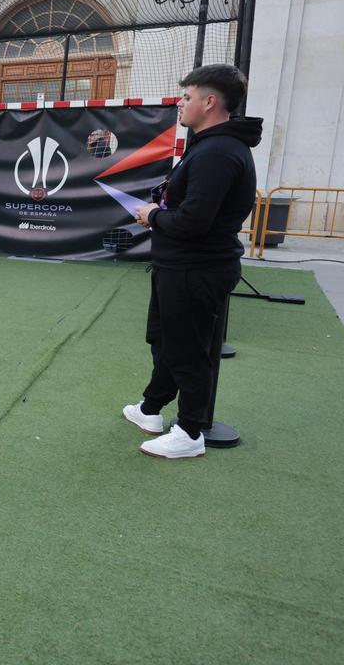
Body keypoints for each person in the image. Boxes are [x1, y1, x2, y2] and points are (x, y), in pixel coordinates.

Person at [126, 64, 260, 460]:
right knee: (167, 342)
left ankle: (189, 432)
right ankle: (151, 409)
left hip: (196, 268)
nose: (180, 104)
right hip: (179, 264)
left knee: (188, 351)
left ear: (210, 102)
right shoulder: (209, 145)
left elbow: (194, 221)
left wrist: (153, 215)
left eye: (187, 97)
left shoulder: (218, 152)